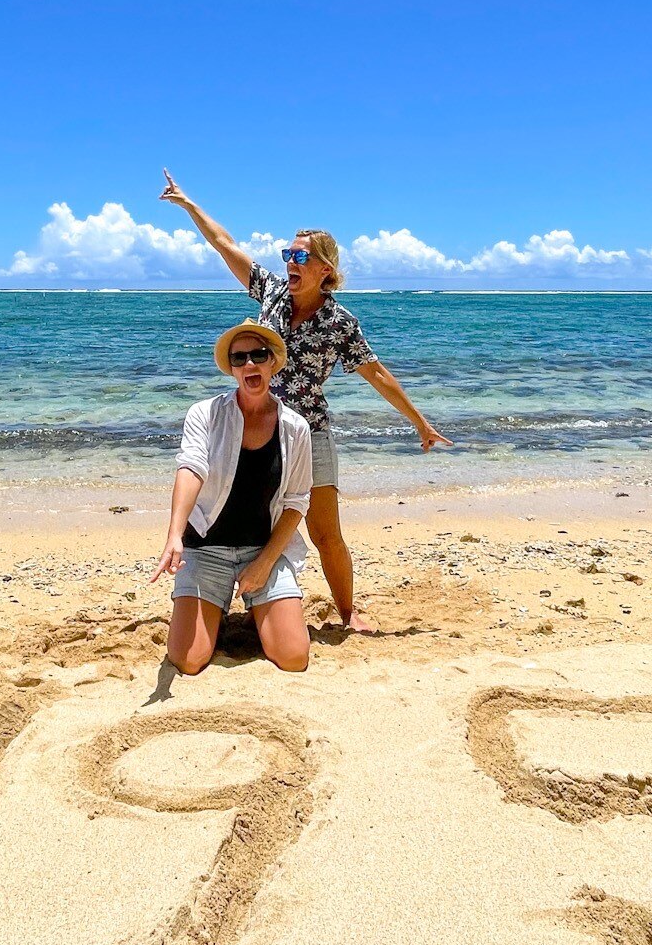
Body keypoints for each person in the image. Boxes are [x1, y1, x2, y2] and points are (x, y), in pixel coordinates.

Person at [160, 172, 451, 632]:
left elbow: (376, 372)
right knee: (231, 514)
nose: (290, 262)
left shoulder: (340, 322)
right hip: (249, 424)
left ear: (324, 269)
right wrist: (189, 205)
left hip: (307, 432)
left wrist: (420, 422)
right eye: (287, 254)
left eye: (300, 256)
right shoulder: (272, 292)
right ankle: (220, 593)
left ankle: (348, 610)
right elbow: (225, 244)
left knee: (323, 530)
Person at [151, 320, 313, 677]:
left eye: (259, 355)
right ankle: (213, 607)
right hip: (205, 550)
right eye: (239, 358)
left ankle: (259, 610)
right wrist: (175, 534)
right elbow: (191, 468)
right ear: (232, 368)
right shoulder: (205, 414)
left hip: (263, 550)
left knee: (293, 657)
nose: (250, 364)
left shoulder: (296, 428)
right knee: (189, 660)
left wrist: (264, 563)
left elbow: (296, 502)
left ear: (273, 362)